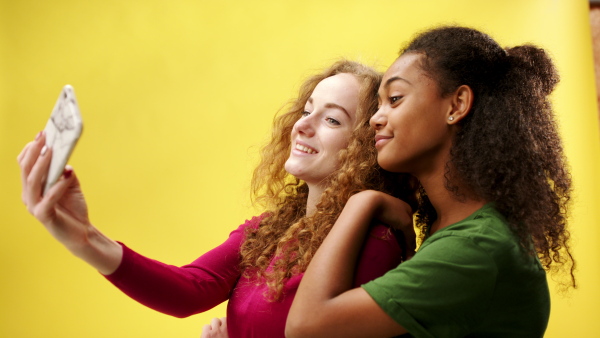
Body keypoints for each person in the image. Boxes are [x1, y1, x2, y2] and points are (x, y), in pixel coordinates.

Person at [18, 60, 418, 338]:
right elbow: (189, 288)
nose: (303, 125)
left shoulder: (375, 243)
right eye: (307, 109)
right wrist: (81, 235)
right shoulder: (270, 230)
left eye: (331, 119)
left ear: (366, 146)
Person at [286, 26, 576, 338]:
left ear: (456, 105)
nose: (375, 119)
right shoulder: (452, 228)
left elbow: (307, 326)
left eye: (395, 99)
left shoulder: (474, 248)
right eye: (379, 103)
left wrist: (362, 201)